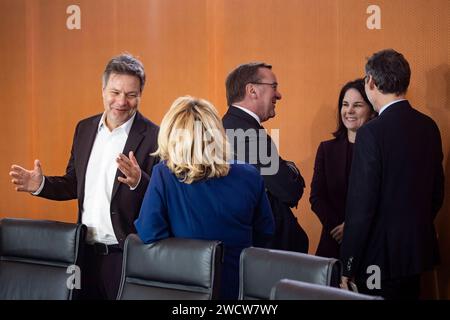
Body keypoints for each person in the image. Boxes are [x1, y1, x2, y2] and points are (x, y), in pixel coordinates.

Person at [9, 53, 159, 300]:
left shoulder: (155, 136)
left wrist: (138, 182)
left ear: (140, 95)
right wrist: (41, 185)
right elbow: (75, 183)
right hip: (82, 254)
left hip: (126, 255)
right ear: (102, 90)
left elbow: (161, 199)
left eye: (131, 95)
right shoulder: (84, 129)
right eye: (115, 92)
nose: (121, 101)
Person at [135, 96, 274, 300]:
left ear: (172, 135)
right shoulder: (249, 174)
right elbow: (265, 234)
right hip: (241, 288)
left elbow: (149, 233)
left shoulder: (164, 175)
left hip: (187, 289)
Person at [340, 49, 444, 299]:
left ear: (371, 82)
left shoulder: (371, 133)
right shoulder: (429, 126)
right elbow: (437, 192)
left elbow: (361, 207)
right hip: (416, 254)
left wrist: (349, 265)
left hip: (378, 259)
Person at [222, 62, 308, 253]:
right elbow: (289, 190)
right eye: (274, 87)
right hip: (266, 253)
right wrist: (290, 169)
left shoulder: (233, 126)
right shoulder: (244, 134)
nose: (279, 95)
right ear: (252, 90)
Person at [310, 78, 376, 259]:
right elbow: (316, 197)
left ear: (371, 112)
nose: (349, 111)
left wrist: (354, 227)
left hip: (369, 246)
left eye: (357, 105)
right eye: (345, 104)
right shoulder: (326, 149)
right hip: (333, 243)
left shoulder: (381, 151)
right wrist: (339, 229)